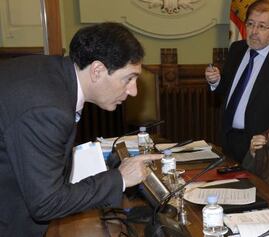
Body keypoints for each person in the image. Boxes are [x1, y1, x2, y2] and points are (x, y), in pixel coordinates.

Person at [0, 22, 162, 236]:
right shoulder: (49, 108)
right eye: (128, 79)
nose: (133, 91)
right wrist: (120, 178)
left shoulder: (53, 74)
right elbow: (45, 203)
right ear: (97, 70)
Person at [205, 0, 269, 163]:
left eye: (262, 26)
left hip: (258, 146)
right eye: (250, 24)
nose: (254, 31)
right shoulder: (237, 49)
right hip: (227, 137)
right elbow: (228, 90)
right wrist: (215, 81)